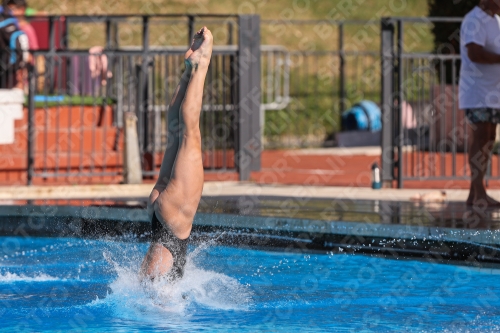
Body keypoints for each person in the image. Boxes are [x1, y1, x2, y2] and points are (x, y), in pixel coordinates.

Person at [140, 27, 213, 280]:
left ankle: (200, 65)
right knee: (178, 134)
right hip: (158, 220)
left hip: (171, 225)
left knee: (188, 135)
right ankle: (191, 69)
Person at [459, 0, 500, 208]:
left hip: (493, 94)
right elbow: (474, 53)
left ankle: (474, 193)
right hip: (477, 93)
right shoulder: (475, 19)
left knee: (489, 138)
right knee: (481, 136)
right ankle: (480, 193)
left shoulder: (496, 21)